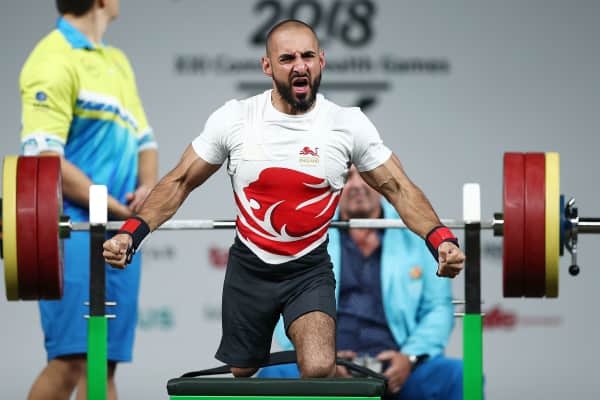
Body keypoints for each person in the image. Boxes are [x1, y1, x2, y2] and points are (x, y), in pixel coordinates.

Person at [103, 19, 464, 380]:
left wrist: (441, 240)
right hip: (250, 266)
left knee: (319, 366)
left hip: (309, 268)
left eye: (307, 56)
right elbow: (180, 181)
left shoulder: (347, 124)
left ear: (321, 61)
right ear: (267, 66)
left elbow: (399, 188)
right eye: (287, 58)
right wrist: (130, 234)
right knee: (243, 369)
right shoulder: (236, 118)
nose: (299, 66)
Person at [20, 1, 158, 399]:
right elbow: (45, 162)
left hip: (120, 232)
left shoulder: (117, 62)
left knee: (103, 364)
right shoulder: (52, 58)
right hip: (72, 232)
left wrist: (147, 188)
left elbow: (145, 141)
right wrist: (119, 208)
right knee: (72, 362)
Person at [259, 165, 463, 399]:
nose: (356, 185)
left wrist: (410, 357)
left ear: (381, 180)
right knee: (272, 375)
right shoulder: (308, 232)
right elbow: (286, 305)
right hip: (326, 364)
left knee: (459, 375)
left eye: (366, 176)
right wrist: (321, 358)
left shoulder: (415, 229)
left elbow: (438, 307)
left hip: (400, 366)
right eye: (346, 177)